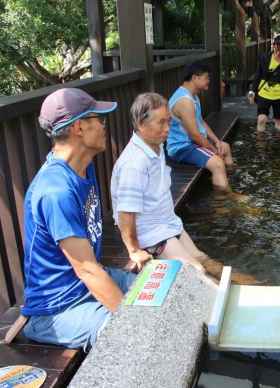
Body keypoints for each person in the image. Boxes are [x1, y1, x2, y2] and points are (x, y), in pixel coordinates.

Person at [21, 88, 136, 352]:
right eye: (100, 119)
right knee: (131, 338)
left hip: (83, 284)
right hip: (57, 309)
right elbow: (86, 269)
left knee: (159, 287)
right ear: (80, 128)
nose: (105, 125)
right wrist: (132, 323)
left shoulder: (84, 166)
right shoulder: (55, 190)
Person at [111, 92, 207, 274]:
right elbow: (125, 213)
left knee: (202, 258)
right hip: (150, 231)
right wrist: (135, 250)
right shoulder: (134, 164)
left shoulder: (156, 146)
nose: (167, 128)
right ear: (141, 124)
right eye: (161, 122)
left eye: (169, 121)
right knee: (197, 271)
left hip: (167, 221)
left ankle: (238, 282)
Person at [167, 61, 234, 191]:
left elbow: (201, 121)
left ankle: (228, 175)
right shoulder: (185, 101)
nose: (209, 80)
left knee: (225, 147)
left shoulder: (192, 96)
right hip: (182, 147)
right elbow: (195, 135)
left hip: (192, 143)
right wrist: (214, 151)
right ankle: (227, 197)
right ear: (195, 78)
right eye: (206, 77)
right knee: (218, 163)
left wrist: (217, 142)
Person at [249, 34, 280, 133]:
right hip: (264, 93)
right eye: (276, 49)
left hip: (279, 96)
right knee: (261, 119)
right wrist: (254, 90)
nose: (278, 53)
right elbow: (258, 74)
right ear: (274, 46)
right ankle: (260, 146)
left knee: (279, 122)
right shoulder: (265, 57)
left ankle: (277, 146)